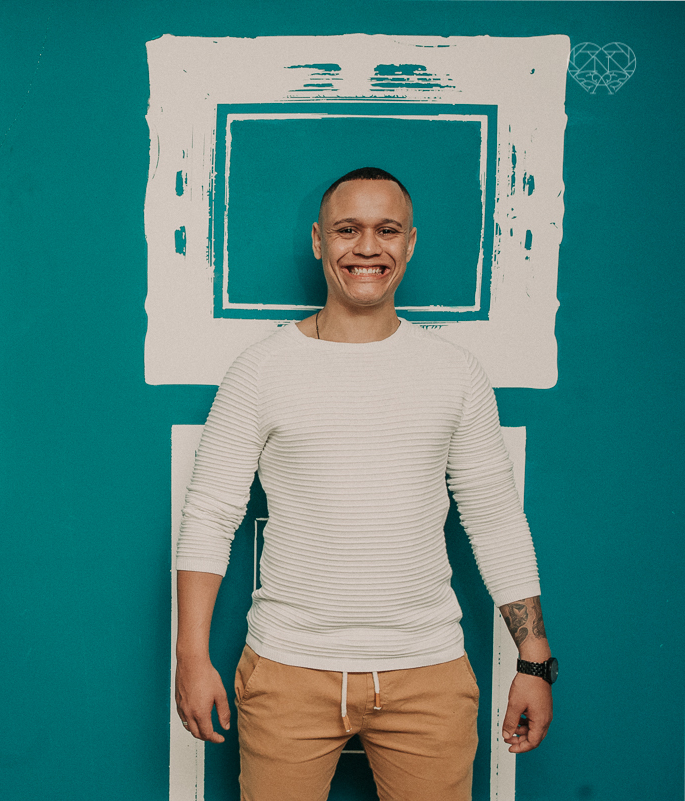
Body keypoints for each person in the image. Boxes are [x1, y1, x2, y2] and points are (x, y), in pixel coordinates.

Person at [174, 168, 555, 800]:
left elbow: (494, 518)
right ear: (320, 241)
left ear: (410, 243)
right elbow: (209, 516)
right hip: (288, 668)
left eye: (387, 230)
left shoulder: (455, 372)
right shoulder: (261, 369)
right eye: (349, 230)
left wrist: (535, 659)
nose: (368, 248)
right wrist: (190, 658)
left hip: (428, 672)